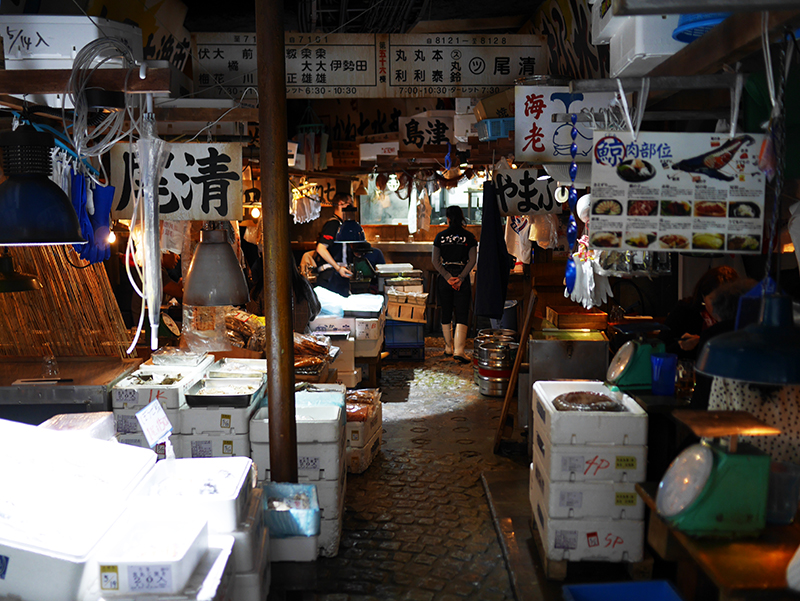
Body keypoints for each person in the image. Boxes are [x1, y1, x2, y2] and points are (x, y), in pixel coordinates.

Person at [661, 265, 739, 359]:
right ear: (703, 296)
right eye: (714, 300)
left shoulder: (739, 317)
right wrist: (682, 345)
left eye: (725, 300)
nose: (720, 305)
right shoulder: (685, 311)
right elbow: (661, 348)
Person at [432, 205, 478, 363]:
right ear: (461, 217)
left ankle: (448, 348)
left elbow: (435, 261)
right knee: (462, 312)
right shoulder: (469, 237)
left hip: (445, 278)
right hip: (461, 277)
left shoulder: (440, 237)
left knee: (446, 311)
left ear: (448, 218)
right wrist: (461, 278)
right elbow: (472, 260)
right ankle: (459, 350)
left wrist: (447, 277)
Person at [314, 193, 354, 297]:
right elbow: (321, 248)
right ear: (341, 204)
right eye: (350, 204)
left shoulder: (341, 224)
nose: (352, 208)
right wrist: (338, 268)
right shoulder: (333, 224)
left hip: (338, 275)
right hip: (330, 277)